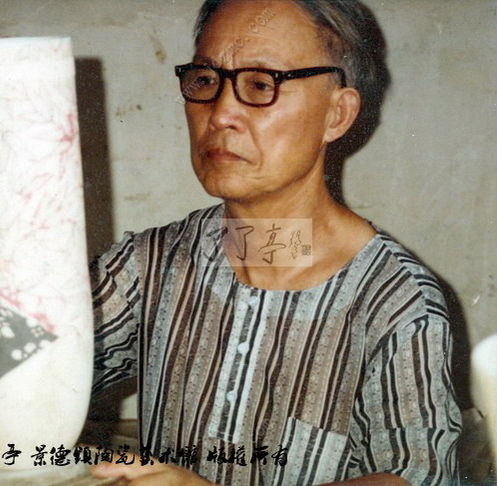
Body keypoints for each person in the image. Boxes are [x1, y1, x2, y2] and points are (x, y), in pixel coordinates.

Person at [89, 0, 461, 485]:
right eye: (205, 80)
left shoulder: (395, 303)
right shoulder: (149, 266)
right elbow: (19, 375)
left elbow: (416, 475)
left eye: (261, 85)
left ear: (337, 114)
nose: (221, 113)